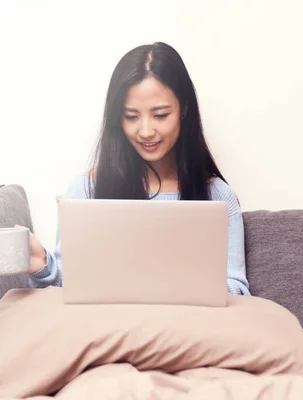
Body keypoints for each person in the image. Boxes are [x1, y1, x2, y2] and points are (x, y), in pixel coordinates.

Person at [27, 42, 250, 295]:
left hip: (187, 329)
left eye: (160, 115)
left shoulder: (218, 197)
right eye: (131, 117)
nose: (145, 131)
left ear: (184, 109)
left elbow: (237, 290)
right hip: (109, 330)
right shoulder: (86, 190)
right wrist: (42, 266)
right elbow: (68, 287)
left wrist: (170, 285)